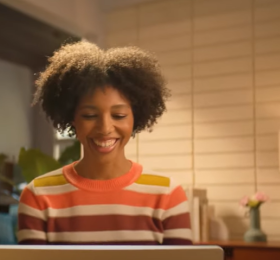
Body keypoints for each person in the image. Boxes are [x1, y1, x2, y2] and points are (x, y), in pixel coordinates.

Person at [17, 41, 193, 245]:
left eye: (118, 115)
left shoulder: (168, 195)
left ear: (135, 117)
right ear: (72, 119)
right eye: (90, 115)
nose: (105, 128)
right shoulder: (38, 196)